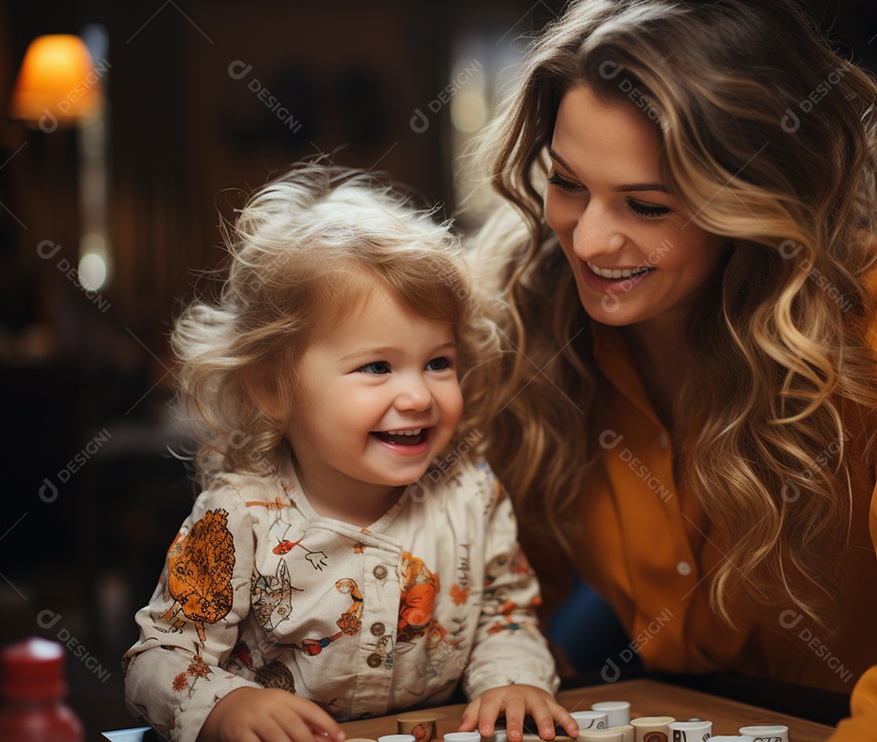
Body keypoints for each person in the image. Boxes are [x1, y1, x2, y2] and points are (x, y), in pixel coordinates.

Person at [466, 1, 877, 740]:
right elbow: (500, 588)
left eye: (648, 205)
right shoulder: (528, 313)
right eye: (568, 184)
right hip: (733, 712)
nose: (589, 239)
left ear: (751, 200)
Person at [123, 162, 576, 742]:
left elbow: (505, 615)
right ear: (272, 387)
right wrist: (223, 707)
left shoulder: (472, 493)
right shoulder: (238, 517)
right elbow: (158, 656)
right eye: (376, 367)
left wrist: (512, 680)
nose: (417, 395)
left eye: (438, 362)